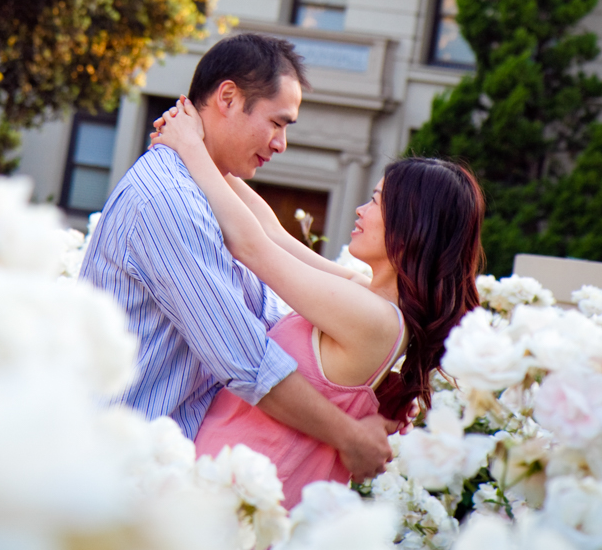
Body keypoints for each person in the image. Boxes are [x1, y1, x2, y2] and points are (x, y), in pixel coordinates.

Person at [79, 33, 404, 482]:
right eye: (277, 122)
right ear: (228, 97)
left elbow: (269, 249)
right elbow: (247, 360)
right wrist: (349, 436)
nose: (281, 143)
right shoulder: (168, 201)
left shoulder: (204, 188)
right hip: (113, 473)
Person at [151, 96, 485, 507]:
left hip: (238, 509)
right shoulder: (364, 294)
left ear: (411, 223)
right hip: (222, 487)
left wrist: (189, 148)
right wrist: (209, 151)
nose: (361, 211)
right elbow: (272, 235)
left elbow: (252, 247)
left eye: (377, 201)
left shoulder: (374, 319)